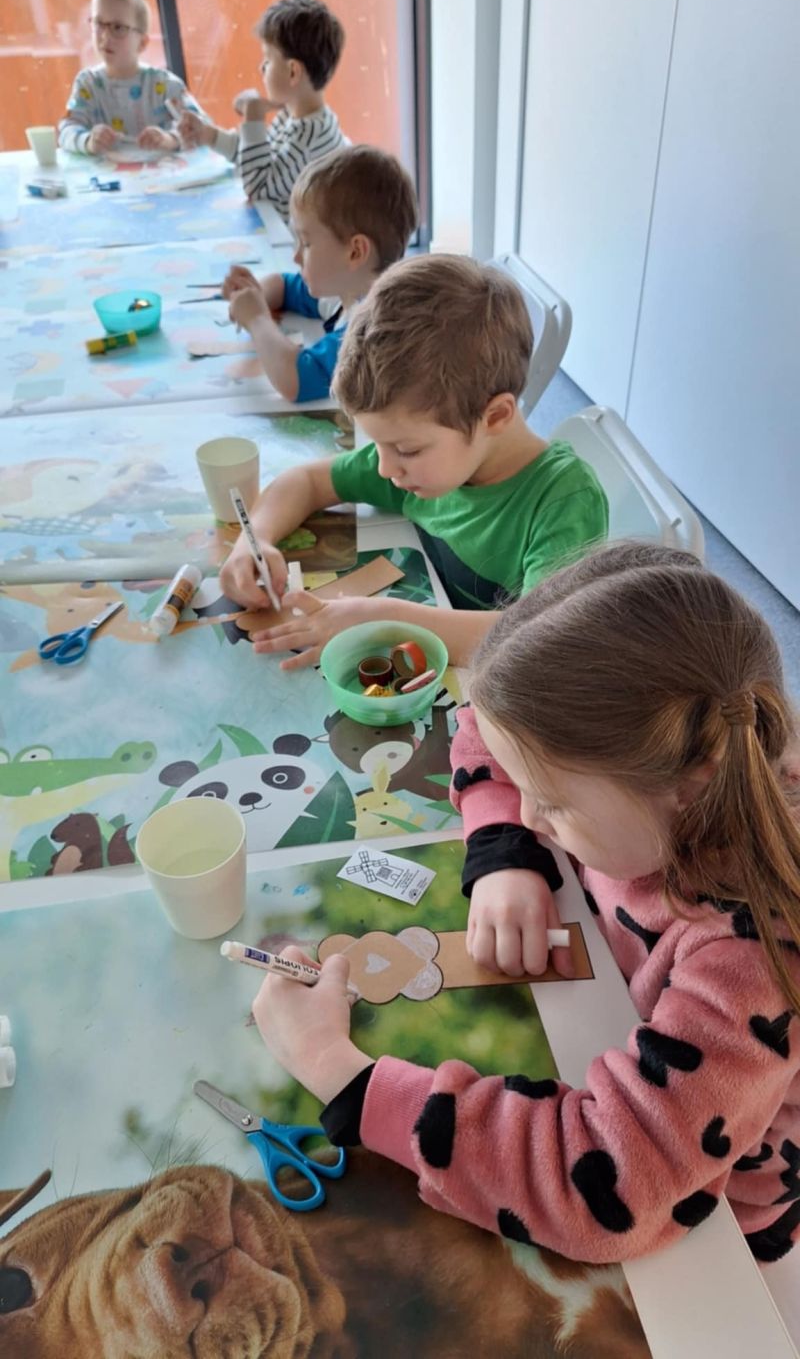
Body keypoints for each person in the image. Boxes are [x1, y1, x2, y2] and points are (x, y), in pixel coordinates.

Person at [252, 542, 800, 1267]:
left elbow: (608, 1187)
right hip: (617, 1019)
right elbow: (488, 721)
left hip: (726, 1219)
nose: (534, 814)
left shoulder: (755, 956)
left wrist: (339, 1073)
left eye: (552, 803)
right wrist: (503, 845)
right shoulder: (673, 761)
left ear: (690, 788)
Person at [219, 253, 608, 666]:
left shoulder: (565, 501)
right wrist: (253, 542)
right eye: (379, 445)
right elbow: (307, 481)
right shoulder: (428, 459)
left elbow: (539, 643)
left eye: (406, 450)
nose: (384, 469)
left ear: (495, 416)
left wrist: (382, 620)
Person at [220, 144, 417, 402]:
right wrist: (253, 295)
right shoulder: (348, 286)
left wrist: (257, 318)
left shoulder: (374, 326)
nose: (296, 257)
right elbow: (285, 285)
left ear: (355, 252)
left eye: (306, 243)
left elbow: (297, 379)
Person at [178, 0, 345, 220]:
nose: (261, 68)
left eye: (267, 60)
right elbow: (256, 160)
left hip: (290, 238)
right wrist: (209, 135)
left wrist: (253, 120)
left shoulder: (308, 138)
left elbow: (257, 187)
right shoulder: (293, 115)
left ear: (293, 72)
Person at [58, 0, 207, 156]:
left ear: (142, 43)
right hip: (106, 173)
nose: (105, 36)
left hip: (163, 172)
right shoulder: (88, 84)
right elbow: (66, 129)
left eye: (118, 27)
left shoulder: (165, 85)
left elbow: (202, 128)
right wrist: (88, 141)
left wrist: (169, 139)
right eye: (98, 23)